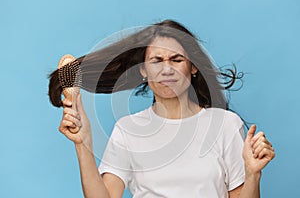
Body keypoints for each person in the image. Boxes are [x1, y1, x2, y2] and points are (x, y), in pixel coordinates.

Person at [49, 20, 275, 198]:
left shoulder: (226, 125)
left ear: (193, 67)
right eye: (157, 61)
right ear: (143, 71)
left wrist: (253, 174)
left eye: (177, 60)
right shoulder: (127, 130)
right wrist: (83, 145)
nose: (167, 70)